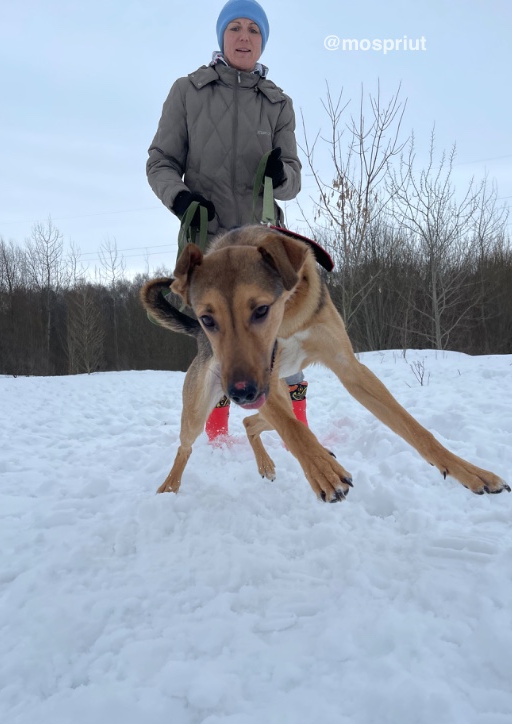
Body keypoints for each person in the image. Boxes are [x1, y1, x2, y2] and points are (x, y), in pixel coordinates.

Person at [146, 0, 309, 440]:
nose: (243, 37)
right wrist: (180, 199)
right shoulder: (187, 91)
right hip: (211, 242)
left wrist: (282, 176)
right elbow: (160, 161)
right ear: (221, 37)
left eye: (253, 30)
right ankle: (217, 430)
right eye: (234, 28)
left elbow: (293, 177)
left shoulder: (279, 103)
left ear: (262, 41)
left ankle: (298, 421)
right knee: (218, 339)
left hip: (263, 247)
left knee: (281, 333)